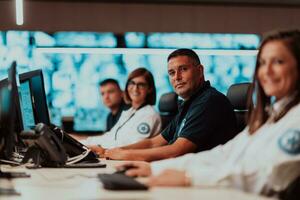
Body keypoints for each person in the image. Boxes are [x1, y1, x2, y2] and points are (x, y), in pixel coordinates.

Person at [119, 30, 300, 196]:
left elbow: (267, 176)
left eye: (278, 62)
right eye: (262, 63)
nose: (266, 71)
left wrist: (190, 178)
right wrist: (156, 169)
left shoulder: (296, 118)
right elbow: (224, 154)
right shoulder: (271, 115)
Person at [104, 48, 237, 161]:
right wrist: (117, 150)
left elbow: (177, 150)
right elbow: (153, 143)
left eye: (183, 69)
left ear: (200, 71)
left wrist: (125, 154)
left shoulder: (209, 101)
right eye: (172, 73)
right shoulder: (188, 103)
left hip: (203, 178)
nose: (177, 77)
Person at [82, 68, 161, 152]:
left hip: (126, 159)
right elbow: (110, 137)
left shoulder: (149, 115)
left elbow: (134, 145)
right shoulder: (129, 112)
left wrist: (103, 149)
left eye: (141, 85)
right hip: (113, 155)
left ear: (149, 89)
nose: (135, 88)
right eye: (132, 83)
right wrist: (82, 143)